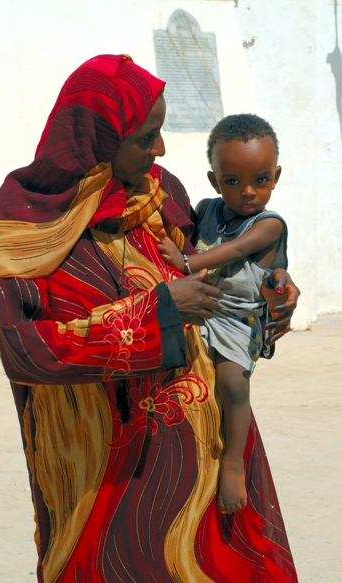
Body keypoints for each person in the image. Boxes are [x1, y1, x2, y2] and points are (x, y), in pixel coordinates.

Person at [0, 55, 300, 583]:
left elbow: (218, 261)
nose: (161, 149)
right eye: (146, 136)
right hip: (108, 475)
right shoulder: (30, 216)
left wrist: (276, 287)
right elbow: (24, 351)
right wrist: (160, 311)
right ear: (101, 139)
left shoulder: (161, 191)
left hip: (206, 447)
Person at [158, 113, 287, 516]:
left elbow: (232, 251)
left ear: (276, 176)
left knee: (232, 383)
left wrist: (186, 261)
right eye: (232, 181)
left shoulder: (269, 225)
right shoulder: (207, 208)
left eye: (260, 179)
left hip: (237, 319)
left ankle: (233, 462)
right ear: (215, 181)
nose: (248, 192)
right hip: (200, 304)